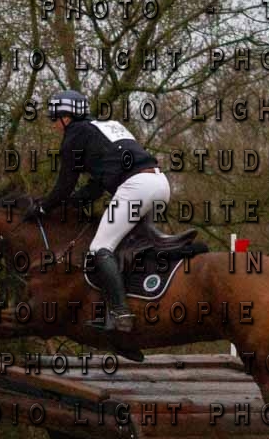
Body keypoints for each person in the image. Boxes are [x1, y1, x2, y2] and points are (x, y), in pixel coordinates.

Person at [31, 89, 170, 333]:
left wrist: (43, 208)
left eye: (55, 119)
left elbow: (64, 185)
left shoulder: (75, 134)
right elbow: (96, 186)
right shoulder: (108, 127)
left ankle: (120, 312)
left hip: (136, 187)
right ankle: (141, 292)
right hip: (160, 184)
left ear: (66, 117)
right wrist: (74, 202)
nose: (54, 126)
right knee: (128, 245)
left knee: (100, 248)